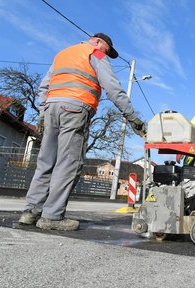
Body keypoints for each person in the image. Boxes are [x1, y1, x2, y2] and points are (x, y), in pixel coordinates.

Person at [19, 33, 146, 231]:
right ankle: (52, 216)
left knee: (46, 161)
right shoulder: (95, 53)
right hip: (75, 109)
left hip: (51, 109)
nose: (106, 53)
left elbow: (44, 85)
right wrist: (133, 118)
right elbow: (113, 88)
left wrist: (43, 111)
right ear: (97, 41)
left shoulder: (63, 54)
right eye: (106, 49)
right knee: (68, 163)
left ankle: (30, 212)